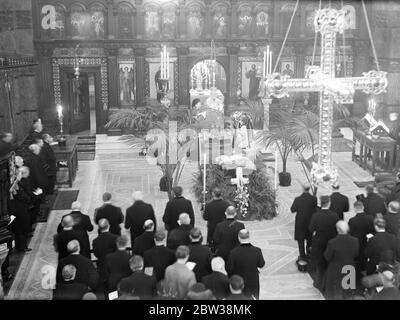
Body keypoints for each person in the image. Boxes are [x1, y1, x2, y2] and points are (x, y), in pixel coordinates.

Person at [308, 195, 339, 290]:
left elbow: (310, 229)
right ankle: (329, 283)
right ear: (329, 203)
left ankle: (318, 283)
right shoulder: (335, 215)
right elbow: (337, 229)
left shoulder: (315, 215)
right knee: (330, 263)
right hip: (331, 242)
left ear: (321, 204)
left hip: (319, 242)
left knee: (320, 264)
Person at [324, 221, 359, 300]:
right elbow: (356, 254)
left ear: (338, 229)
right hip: (349, 269)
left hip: (336, 271)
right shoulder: (355, 240)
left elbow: (327, 257)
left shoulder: (332, 242)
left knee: (336, 293)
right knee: (348, 294)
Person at [227, 229, 265, 299]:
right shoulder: (257, 250)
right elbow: (261, 264)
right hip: (253, 281)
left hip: (239, 282)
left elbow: (230, 269)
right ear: (249, 237)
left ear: (239, 238)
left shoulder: (233, 252)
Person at [290, 182, 317, 261]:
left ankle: (302, 257)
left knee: (300, 241)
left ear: (302, 188)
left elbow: (292, 210)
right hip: (310, 223)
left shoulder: (298, 199)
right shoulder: (314, 199)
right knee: (309, 240)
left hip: (300, 224)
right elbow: (315, 209)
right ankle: (309, 256)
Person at [9, 166, 34, 252]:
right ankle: (22, 247)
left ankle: (20, 246)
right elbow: (21, 196)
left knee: (20, 228)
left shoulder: (17, 184)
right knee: (21, 228)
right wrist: (28, 199)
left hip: (19, 209)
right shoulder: (16, 186)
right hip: (20, 210)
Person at [348, 201, 375, 275]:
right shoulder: (370, 218)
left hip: (356, 243)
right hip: (366, 242)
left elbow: (349, 233)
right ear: (363, 207)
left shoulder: (352, 220)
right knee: (365, 257)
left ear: (355, 209)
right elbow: (373, 231)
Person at [92, 219, 118, 291]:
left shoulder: (96, 241)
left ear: (99, 228)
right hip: (114, 267)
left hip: (102, 267)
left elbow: (96, 254)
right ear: (109, 226)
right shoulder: (115, 238)